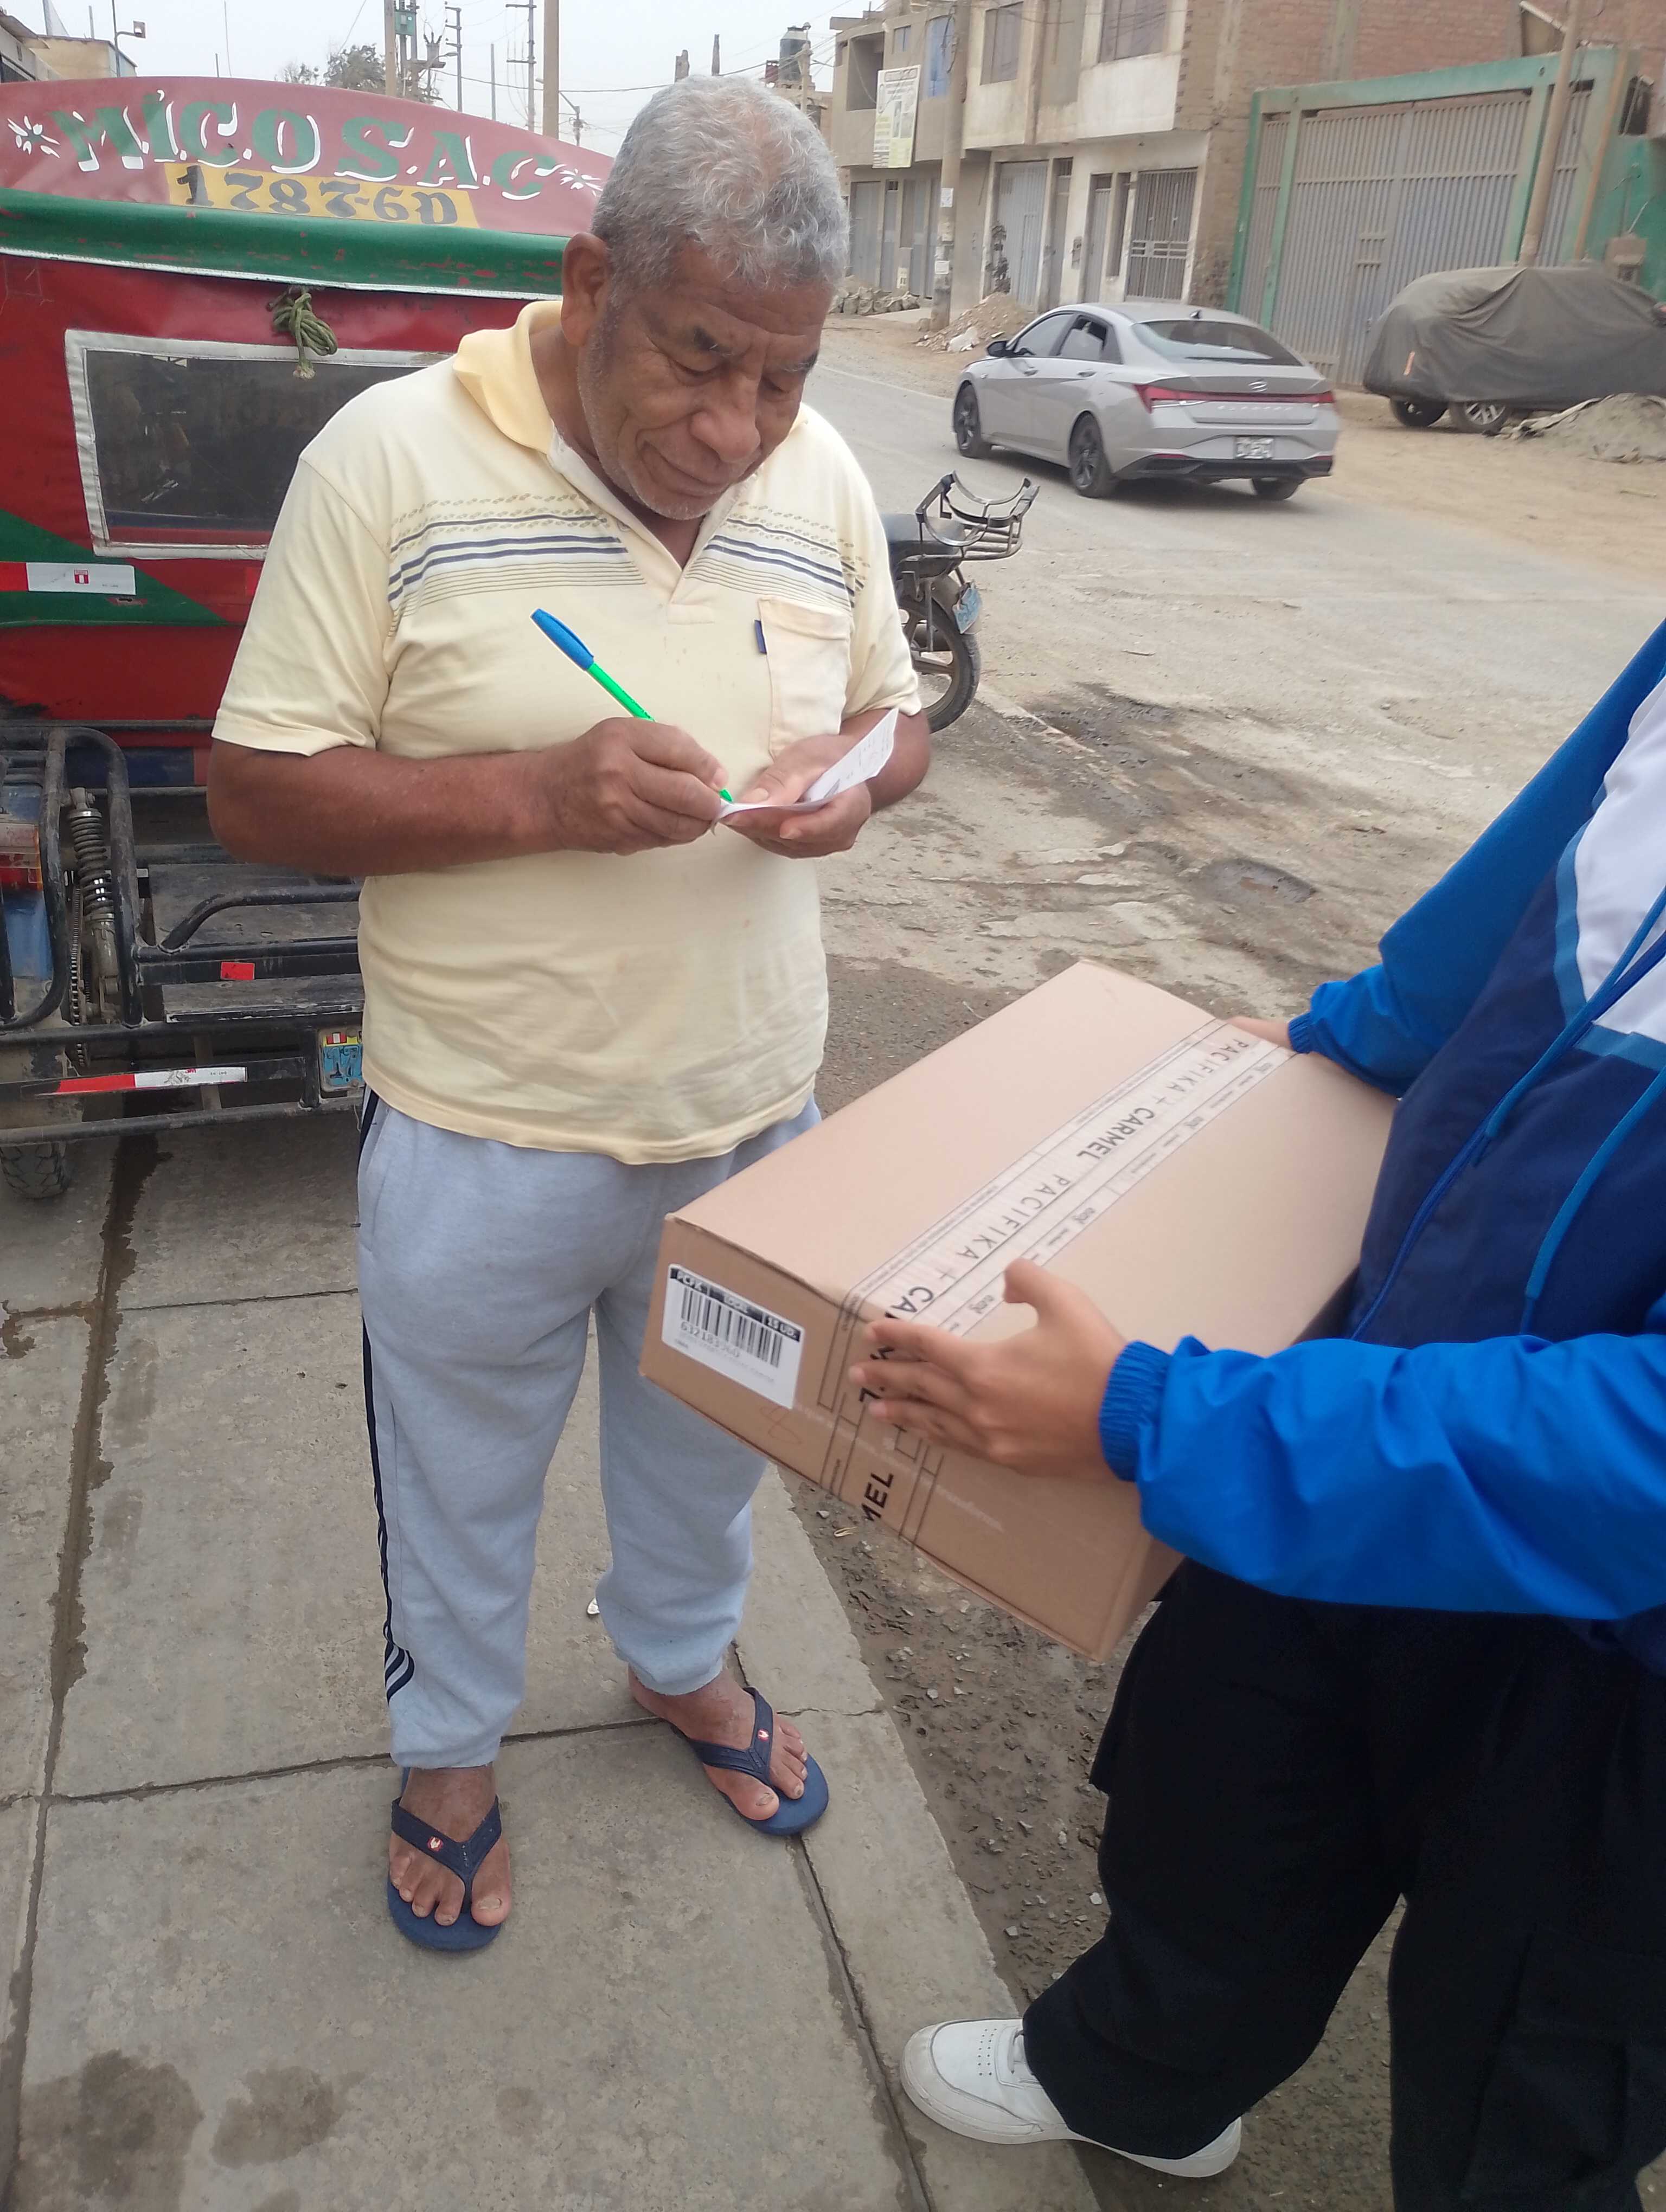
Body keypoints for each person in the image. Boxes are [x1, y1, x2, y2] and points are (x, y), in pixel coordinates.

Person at [208, 75, 927, 1951]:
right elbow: (255, 789)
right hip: (487, 1133)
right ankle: (448, 1750)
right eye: (700, 361)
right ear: (592, 282)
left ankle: (682, 1659)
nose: (737, 430)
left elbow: (897, 710)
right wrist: (536, 796)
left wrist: (858, 782)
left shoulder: (816, 479)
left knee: (711, 1453)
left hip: (752, 1126)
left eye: (785, 377)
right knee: (458, 1477)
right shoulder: (387, 461)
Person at [851, 621, 1666, 2207]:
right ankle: (1141, 2081)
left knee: (1531, 2046)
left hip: (1615, 1640)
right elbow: (1559, 854)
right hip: (1368, 1400)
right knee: (1224, 1794)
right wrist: (1348, 1036)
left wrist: (1167, 1425)